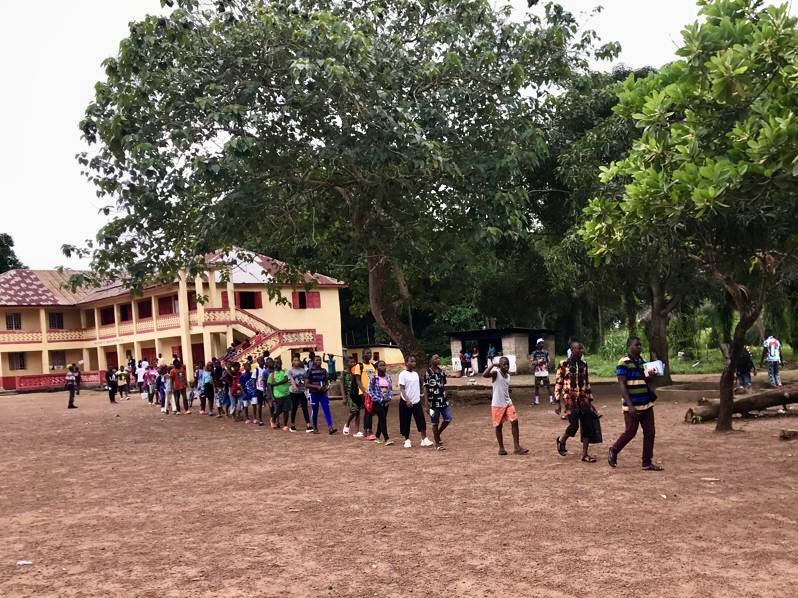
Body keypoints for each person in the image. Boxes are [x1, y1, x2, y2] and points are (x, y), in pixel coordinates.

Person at [608, 336, 663, 471]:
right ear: (629, 346)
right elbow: (622, 384)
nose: (639, 347)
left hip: (646, 403)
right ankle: (614, 450)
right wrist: (630, 405)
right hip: (632, 405)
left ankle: (646, 462)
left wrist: (655, 370)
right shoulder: (623, 362)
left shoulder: (641, 361)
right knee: (630, 432)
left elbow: (645, 378)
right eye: (636, 345)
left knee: (650, 432)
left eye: (640, 345)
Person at [554, 341, 602, 463]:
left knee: (587, 425)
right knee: (574, 425)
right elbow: (558, 383)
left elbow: (587, 383)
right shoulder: (563, 364)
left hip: (583, 399)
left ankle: (585, 454)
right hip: (570, 399)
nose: (581, 351)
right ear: (572, 349)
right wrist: (558, 402)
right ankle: (562, 440)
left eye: (582, 349)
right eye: (579, 349)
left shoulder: (584, 364)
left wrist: (590, 401)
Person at [484, 356, 528, 456]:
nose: (506, 366)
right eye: (504, 364)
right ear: (499, 365)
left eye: (507, 364)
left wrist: (507, 390)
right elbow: (484, 374)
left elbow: (503, 386)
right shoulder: (496, 373)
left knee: (515, 421)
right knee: (498, 426)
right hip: (497, 404)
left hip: (508, 402)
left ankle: (517, 447)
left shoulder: (508, 376)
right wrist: (493, 365)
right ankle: (501, 448)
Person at [398, 355, 433, 448]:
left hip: (416, 401)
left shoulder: (416, 374)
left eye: (414, 361)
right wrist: (407, 400)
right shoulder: (402, 374)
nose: (414, 363)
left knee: (421, 419)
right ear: (406, 363)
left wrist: (422, 397)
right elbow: (402, 388)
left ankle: (424, 439)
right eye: (411, 361)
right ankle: (407, 440)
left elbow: (418, 387)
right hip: (406, 401)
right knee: (405, 420)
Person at [423, 353, 451, 450]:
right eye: (435, 358)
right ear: (431, 360)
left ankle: (438, 434)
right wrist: (426, 403)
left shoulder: (441, 371)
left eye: (438, 358)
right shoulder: (427, 372)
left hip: (443, 400)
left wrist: (445, 394)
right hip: (432, 402)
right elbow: (425, 388)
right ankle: (437, 444)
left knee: (448, 418)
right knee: (435, 422)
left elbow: (443, 384)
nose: (437, 359)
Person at [308, 355, 337, 434]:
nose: (318, 362)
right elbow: (307, 384)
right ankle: (314, 427)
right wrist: (316, 387)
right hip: (314, 394)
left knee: (326, 409)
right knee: (315, 410)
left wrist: (326, 387)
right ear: (313, 361)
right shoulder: (310, 371)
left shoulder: (324, 371)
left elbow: (326, 381)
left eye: (320, 360)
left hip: (323, 393)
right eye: (317, 360)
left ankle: (330, 427)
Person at [352, 349, 376, 440]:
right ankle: (368, 430)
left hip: (372, 392)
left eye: (370, 353)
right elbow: (358, 380)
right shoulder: (359, 366)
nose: (369, 354)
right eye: (367, 353)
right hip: (364, 392)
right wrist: (364, 391)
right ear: (362, 355)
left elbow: (375, 378)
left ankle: (367, 429)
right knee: (368, 410)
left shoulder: (373, 365)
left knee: (369, 411)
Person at [367, 360, 394, 445]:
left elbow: (390, 389)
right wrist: (378, 399)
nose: (383, 367)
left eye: (384, 365)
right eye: (381, 366)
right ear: (377, 368)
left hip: (386, 401)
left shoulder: (388, 377)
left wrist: (389, 398)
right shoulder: (374, 378)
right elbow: (370, 391)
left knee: (382, 418)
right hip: (377, 401)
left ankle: (377, 436)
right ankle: (386, 438)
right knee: (382, 418)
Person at [288, 354, 313, 432]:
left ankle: (308, 425)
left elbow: (305, 380)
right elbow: (291, 380)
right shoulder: (290, 371)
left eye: (297, 360)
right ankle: (292, 425)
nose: (296, 362)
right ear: (292, 362)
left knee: (305, 407)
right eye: (295, 360)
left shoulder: (303, 370)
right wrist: (294, 386)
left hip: (301, 392)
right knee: (294, 408)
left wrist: (306, 387)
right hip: (293, 392)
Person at [269, 357, 291, 430]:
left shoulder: (285, 371)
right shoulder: (271, 375)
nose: (276, 364)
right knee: (278, 410)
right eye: (275, 363)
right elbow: (270, 387)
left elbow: (285, 380)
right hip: (277, 395)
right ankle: (273, 419)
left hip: (286, 393)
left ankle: (285, 425)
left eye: (278, 362)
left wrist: (275, 384)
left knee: (286, 410)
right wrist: (272, 397)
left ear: (281, 363)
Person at [342, 356, 362, 436]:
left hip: (357, 394)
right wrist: (344, 397)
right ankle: (347, 424)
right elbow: (341, 385)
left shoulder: (356, 372)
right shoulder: (344, 373)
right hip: (349, 395)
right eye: (351, 362)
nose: (353, 363)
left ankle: (357, 431)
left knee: (358, 412)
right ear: (346, 364)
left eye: (354, 362)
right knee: (353, 410)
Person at [530, 338, 553, 407]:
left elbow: (549, 361)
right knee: (537, 387)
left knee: (548, 386)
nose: (542, 344)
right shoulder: (534, 353)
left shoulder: (546, 352)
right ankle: (537, 401)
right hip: (537, 372)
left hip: (545, 372)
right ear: (537, 345)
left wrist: (546, 365)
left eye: (542, 343)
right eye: (540, 343)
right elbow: (532, 362)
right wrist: (538, 362)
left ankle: (551, 400)